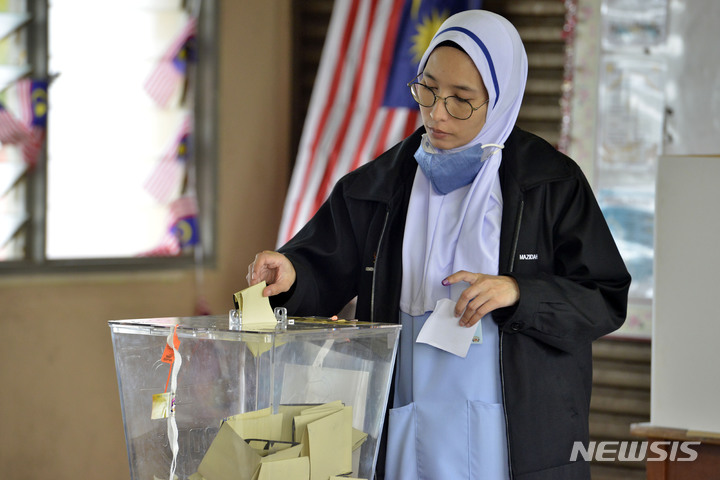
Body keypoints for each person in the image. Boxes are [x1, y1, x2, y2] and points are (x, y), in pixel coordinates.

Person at [247, 9, 630, 480]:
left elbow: (604, 297)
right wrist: (292, 274)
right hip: (407, 416)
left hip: (515, 436)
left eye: (461, 99)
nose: (437, 112)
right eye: (427, 89)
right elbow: (322, 264)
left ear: (503, 97)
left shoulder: (551, 184)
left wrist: (518, 293)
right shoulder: (378, 185)